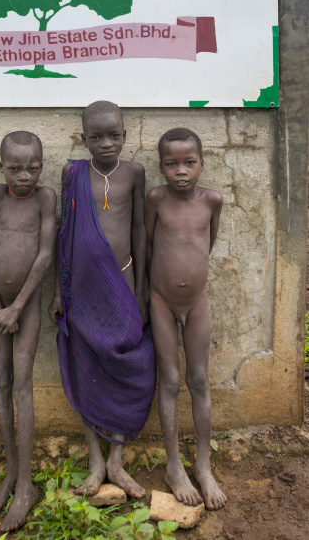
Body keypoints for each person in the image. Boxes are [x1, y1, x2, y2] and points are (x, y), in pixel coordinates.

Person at [49, 101, 156, 499]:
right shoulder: (72, 173)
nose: (106, 143)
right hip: (83, 288)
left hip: (125, 284)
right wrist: (61, 290)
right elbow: (64, 234)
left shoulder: (135, 173)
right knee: (87, 367)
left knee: (130, 365)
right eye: (96, 137)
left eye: (114, 135)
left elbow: (141, 233)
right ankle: (95, 462)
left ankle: (117, 461)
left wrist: (141, 290)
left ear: (126, 135)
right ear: (84, 139)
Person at [146, 127, 227, 511]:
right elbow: (147, 246)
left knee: (197, 379)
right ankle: (174, 465)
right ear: (161, 167)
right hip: (161, 300)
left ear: (201, 164)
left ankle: (204, 465)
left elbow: (206, 246)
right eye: (171, 164)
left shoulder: (213, 201)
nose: (181, 171)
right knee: (171, 379)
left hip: (196, 302)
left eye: (189, 163)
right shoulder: (156, 199)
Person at [0, 131, 57, 531]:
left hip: (24, 309)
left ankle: (26, 486)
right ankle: (10, 472)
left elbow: (45, 254)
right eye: (14, 168)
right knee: (1, 382)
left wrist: (16, 307)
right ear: (1, 167)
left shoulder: (45, 199)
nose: (24, 176)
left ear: (42, 166)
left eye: (32, 168)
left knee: (22, 385)